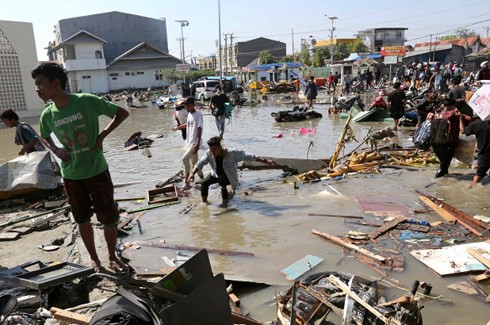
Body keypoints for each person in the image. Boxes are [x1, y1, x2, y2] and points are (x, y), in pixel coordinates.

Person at [31, 62, 129, 273]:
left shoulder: (86, 101)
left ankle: (112, 257)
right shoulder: (47, 114)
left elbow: (121, 113)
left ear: (56, 83)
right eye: (36, 84)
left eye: (40, 83)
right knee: (82, 219)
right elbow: (45, 136)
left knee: (109, 218)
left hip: (97, 171)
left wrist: (102, 136)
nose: (37, 89)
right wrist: (57, 151)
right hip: (71, 176)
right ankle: (94, 259)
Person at [187, 136, 276, 208]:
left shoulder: (233, 153)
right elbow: (200, 163)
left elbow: (250, 156)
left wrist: (266, 161)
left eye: (214, 150)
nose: (212, 152)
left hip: (228, 177)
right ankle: (205, 203)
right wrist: (192, 174)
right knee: (205, 183)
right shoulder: (209, 153)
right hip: (215, 174)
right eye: (211, 150)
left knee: (222, 182)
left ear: (220, 147)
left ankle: (225, 203)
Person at [427, 97, 470, 178]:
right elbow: (468, 120)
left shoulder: (436, 114)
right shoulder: (454, 114)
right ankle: (437, 182)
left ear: (443, 105)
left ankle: (444, 182)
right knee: (443, 167)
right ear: (454, 105)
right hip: (448, 143)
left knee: (443, 164)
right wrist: (460, 116)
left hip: (435, 143)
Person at [172, 96, 204, 189]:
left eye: (187, 106)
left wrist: (197, 144)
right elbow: (188, 124)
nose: (186, 108)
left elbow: (199, 128)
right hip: (190, 142)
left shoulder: (198, 114)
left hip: (194, 143)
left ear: (193, 105)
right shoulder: (189, 114)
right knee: (195, 163)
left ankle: (187, 182)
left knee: (185, 159)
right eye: (185, 106)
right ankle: (202, 179)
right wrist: (178, 127)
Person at [462, 116, 490, 187]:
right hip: (484, 154)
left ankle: (471, 189)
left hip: (484, 154)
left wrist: (460, 118)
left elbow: (463, 131)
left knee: (479, 174)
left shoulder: (476, 124)